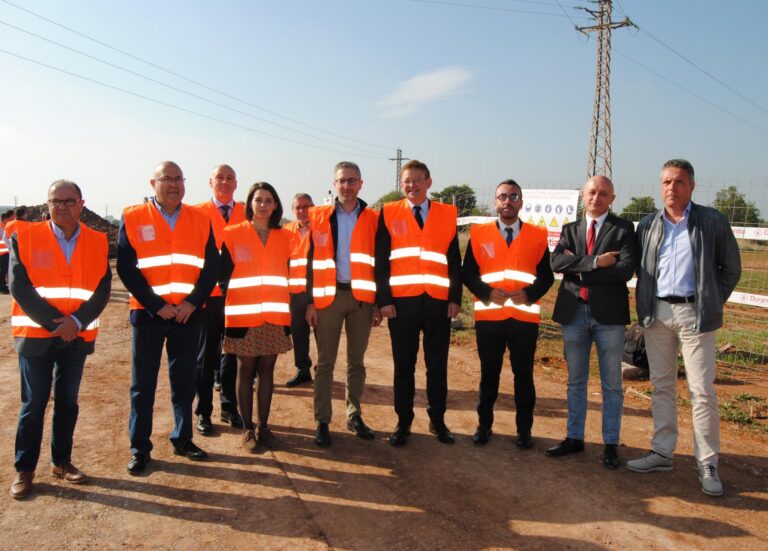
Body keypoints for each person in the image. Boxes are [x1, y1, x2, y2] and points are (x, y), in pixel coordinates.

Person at [626, 159, 741, 497]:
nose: (671, 189)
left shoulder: (712, 221)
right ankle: (662, 452)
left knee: (701, 392)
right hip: (657, 313)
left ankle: (707, 463)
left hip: (696, 315)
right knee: (661, 384)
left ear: (692, 185)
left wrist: (710, 301)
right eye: (665, 182)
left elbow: (731, 269)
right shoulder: (647, 224)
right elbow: (640, 269)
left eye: (678, 182)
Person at [8, 180, 111, 499]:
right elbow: (18, 286)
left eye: (69, 201)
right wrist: (57, 323)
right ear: (47, 204)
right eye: (56, 201)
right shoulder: (23, 236)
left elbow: (102, 288)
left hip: (76, 338)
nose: (62, 206)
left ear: (81, 203)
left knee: (68, 402)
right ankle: (24, 470)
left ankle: (61, 462)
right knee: (34, 403)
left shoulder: (98, 241)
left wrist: (77, 322)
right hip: (37, 336)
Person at [117, 161, 219, 475]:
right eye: (167, 179)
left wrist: (192, 302)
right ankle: (139, 448)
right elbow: (126, 267)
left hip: (188, 316)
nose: (174, 184)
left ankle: (183, 438)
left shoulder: (201, 218)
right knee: (142, 385)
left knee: (185, 381)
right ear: (153, 183)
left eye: (178, 178)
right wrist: (154, 304)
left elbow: (211, 267)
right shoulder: (133, 216)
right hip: (149, 315)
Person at [547, 175, 635, 468]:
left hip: (608, 317)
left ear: (612, 198)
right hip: (574, 313)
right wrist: (596, 262)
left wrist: (578, 267)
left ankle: (610, 443)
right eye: (591, 193)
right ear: (583, 196)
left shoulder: (623, 229)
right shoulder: (570, 229)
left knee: (611, 384)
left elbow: (624, 270)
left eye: (603, 193)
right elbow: (557, 263)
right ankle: (575, 438)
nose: (596, 198)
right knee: (576, 381)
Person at [375, 160, 462, 446]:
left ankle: (438, 421)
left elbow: (453, 261)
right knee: (404, 367)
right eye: (406, 181)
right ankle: (403, 422)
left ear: (429, 182)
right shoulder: (388, 213)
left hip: (438, 304)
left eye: (417, 180)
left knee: (437, 366)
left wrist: (454, 298)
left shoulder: (448, 213)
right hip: (402, 305)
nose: (411, 186)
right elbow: (381, 261)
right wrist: (384, 300)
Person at [462, 179, 554, 450]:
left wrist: (530, 294)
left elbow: (547, 276)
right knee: (489, 375)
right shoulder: (479, 234)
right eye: (503, 196)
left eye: (514, 196)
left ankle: (524, 431)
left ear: (521, 202)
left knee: (523, 376)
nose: (508, 201)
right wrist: (487, 292)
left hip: (524, 318)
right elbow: (468, 273)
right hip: (489, 317)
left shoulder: (537, 235)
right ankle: (484, 427)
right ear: (495, 202)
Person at [306, 162, 381, 447]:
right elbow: (308, 264)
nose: (347, 186)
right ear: (333, 184)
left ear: (361, 184)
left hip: (362, 299)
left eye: (352, 181)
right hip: (328, 298)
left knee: (356, 362)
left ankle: (354, 414)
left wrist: (378, 303)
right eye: (342, 181)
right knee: (325, 362)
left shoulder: (374, 218)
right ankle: (322, 420)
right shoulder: (318, 216)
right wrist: (310, 302)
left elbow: (381, 263)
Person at [220, 182, 292, 452]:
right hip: (243, 316)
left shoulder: (286, 237)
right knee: (245, 370)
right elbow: (223, 275)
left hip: (274, 315)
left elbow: (291, 273)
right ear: (249, 203)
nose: (263, 205)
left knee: (267, 371)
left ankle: (264, 427)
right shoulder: (232, 234)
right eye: (258, 199)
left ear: (275, 205)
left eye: (268, 200)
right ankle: (247, 429)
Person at [193, 164, 245, 435]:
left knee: (231, 354)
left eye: (229, 178)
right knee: (205, 357)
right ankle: (204, 411)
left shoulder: (246, 211)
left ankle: (229, 406)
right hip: (207, 297)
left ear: (236, 183)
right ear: (210, 182)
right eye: (219, 178)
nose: (224, 182)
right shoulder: (196, 213)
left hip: (237, 296)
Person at [284, 193, 315, 387]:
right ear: (293, 210)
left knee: (323, 334)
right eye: (298, 207)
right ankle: (302, 369)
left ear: (313, 207)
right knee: (299, 332)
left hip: (318, 291)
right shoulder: (286, 231)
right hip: (294, 293)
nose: (302, 211)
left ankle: (323, 369)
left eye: (306, 206)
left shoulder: (323, 229)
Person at [0, 210, 14, 293]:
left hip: (5, 252)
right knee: (3, 270)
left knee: (4, 270)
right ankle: (1, 286)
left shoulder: (4, 227)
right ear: (5, 219)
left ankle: (3, 285)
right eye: (9, 219)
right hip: (2, 252)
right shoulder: (1, 228)